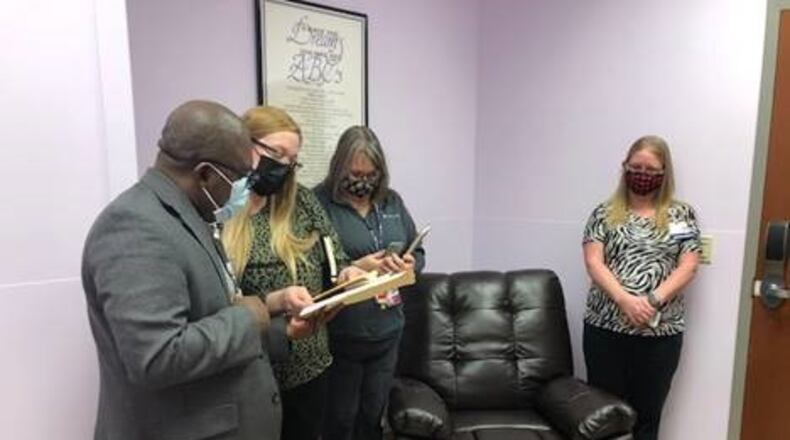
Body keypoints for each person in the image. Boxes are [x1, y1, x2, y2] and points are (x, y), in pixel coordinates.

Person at [82, 100, 313, 440]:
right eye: (239, 178)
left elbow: (209, 312)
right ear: (205, 173)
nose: (245, 188)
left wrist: (276, 324)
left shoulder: (189, 215)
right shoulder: (134, 226)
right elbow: (158, 356)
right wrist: (252, 317)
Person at [221, 106, 362, 440]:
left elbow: (335, 258)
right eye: (276, 153)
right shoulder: (220, 207)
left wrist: (349, 274)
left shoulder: (302, 202)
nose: (283, 167)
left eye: (292, 160)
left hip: (310, 366)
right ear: (244, 144)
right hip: (252, 369)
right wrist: (277, 302)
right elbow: (215, 301)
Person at [582, 135, 701, 440]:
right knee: (605, 415)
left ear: (664, 173)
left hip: (660, 335)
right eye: (636, 167)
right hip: (605, 330)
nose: (643, 174)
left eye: (651, 169)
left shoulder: (681, 215)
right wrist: (625, 301)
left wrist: (650, 301)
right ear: (624, 168)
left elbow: (688, 265)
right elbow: (594, 262)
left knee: (648, 415)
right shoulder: (604, 213)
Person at [314, 126, 426, 440]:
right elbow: (309, 268)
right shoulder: (317, 203)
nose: (362, 181)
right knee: (340, 421)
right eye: (355, 173)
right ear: (339, 168)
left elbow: (417, 250)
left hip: (388, 332)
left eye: (370, 174)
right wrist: (354, 267)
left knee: (372, 419)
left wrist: (410, 262)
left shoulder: (392, 203)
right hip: (341, 336)